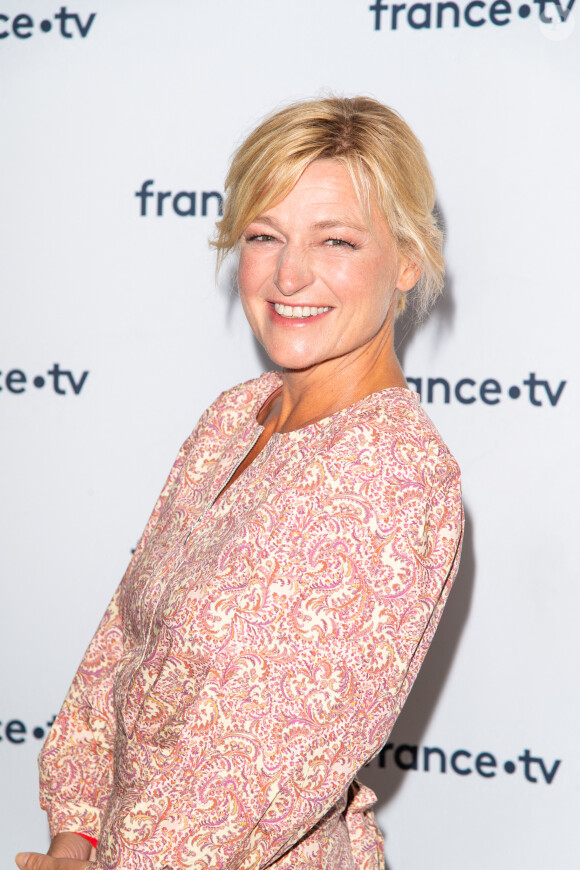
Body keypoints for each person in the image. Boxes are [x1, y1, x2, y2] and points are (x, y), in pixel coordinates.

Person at [17, 96, 463, 870]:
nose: (290, 274)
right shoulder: (238, 416)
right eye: (265, 235)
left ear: (408, 259)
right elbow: (121, 645)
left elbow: (257, 777)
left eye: (337, 240)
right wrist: (76, 833)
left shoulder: (392, 475)